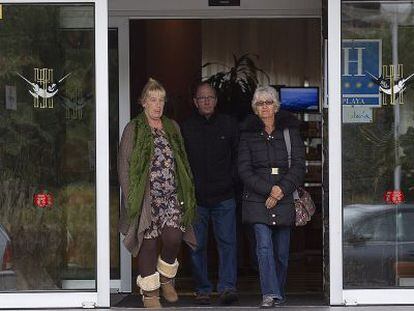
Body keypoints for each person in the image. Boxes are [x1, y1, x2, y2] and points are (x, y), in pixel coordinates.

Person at [118, 78, 197, 308]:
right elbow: (124, 165)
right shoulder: (133, 128)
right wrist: (133, 199)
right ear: (143, 102)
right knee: (149, 243)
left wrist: (187, 188)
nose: (157, 105)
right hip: (145, 198)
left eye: (161, 100)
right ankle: (150, 293)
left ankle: (166, 276)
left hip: (172, 194)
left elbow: (182, 160)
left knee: (173, 236)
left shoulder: (172, 126)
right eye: (152, 100)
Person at [238, 86, 305, 308]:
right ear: (255, 109)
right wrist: (269, 190)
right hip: (257, 201)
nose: (264, 107)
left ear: (276, 106)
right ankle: (269, 294)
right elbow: (244, 170)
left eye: (268, 103)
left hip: (284, 198)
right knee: (264, 248)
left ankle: (279, 293)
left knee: (282, 254)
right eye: (260, 104)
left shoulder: (289, 132)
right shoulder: (247, 135)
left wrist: (280, 190)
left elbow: (298, 166)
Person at [180, 82, 239, 305]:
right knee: (197, 246)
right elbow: (182, 162)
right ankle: (202, 288)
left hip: (224, 196)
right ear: (195, 102)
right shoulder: (186, 128)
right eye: (202, 98)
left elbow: (237, 157)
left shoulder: (229, 125)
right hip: (196, 199)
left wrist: (230, 181)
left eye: (210, 97)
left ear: (216, 100)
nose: (206, 101)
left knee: (227, 244)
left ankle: (227, 288)